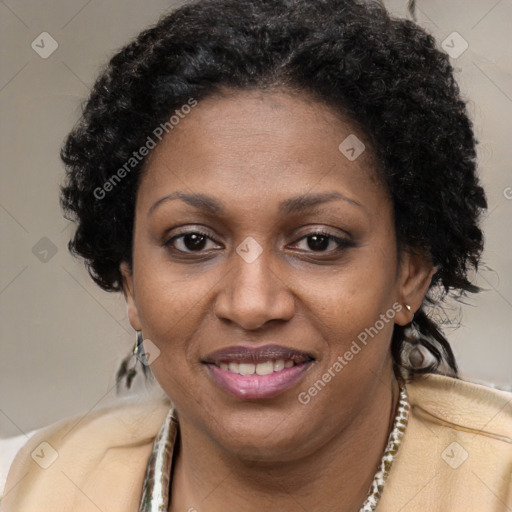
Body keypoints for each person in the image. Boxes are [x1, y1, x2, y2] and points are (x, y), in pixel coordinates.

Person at [2, 0, 511, 511]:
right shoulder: (28, 486)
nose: (250, 305)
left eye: (317, 242)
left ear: (411, 273)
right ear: (130, 280)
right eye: (193, 241)